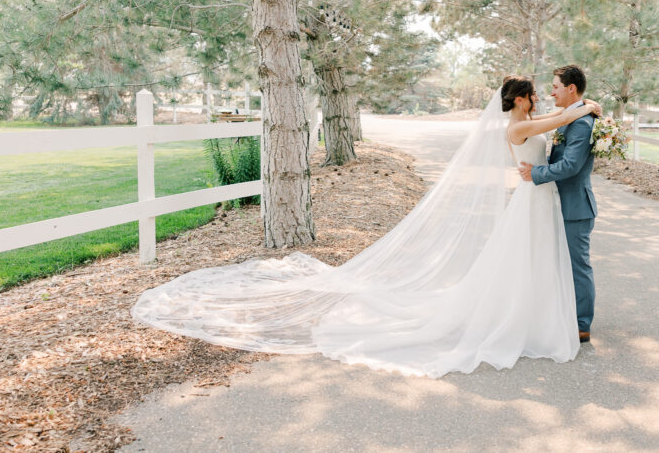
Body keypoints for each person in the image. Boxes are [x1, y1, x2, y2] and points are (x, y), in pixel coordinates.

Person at [132, 74, 600, 378]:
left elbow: (557, 118)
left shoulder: (531, 118)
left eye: (547, 91)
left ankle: (537, 311)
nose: (542, 96)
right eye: (535, 93)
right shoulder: (517, 128)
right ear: (520, 100)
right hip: (530, 200)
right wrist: (588, 108)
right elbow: (561, 119)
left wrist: (584, 108)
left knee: (535, 259)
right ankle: (522, 316)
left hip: (537, 201)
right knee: (525, 258)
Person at [518, 65, 597, 343]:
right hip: (554, 203)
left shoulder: (581, 123)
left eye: (555, 86)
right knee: (557, 263)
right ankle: (561, 314)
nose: (551, 92)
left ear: (570, 88)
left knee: (577, 266)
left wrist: (536, 173)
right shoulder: (570, 117)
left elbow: (571, 165)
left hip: (575, 206)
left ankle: (582, 325)